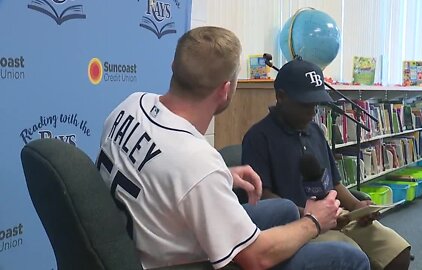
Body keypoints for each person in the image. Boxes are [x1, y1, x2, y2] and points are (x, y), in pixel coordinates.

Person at [96, 26, 370, 270]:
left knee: (285, 209)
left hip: (149, 234)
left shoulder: (131, 104)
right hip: (181, 262)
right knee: (350, 258)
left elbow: (161, 172)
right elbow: (255, 258)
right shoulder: (197, 163)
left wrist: (223, 175)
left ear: (174, 66)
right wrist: (314, 221)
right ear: (226, 90)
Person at [242, 58, 412, 270]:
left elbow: (334, 183)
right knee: (353, 258)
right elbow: (262, 197)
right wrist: (312, 216)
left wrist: (356, 207)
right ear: (281, 97)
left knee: (397, 253)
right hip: (297, 226)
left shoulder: (315, 131)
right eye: (305, 104)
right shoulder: (258, 137)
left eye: (316, 103)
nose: (312, 111)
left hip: (337, 217)